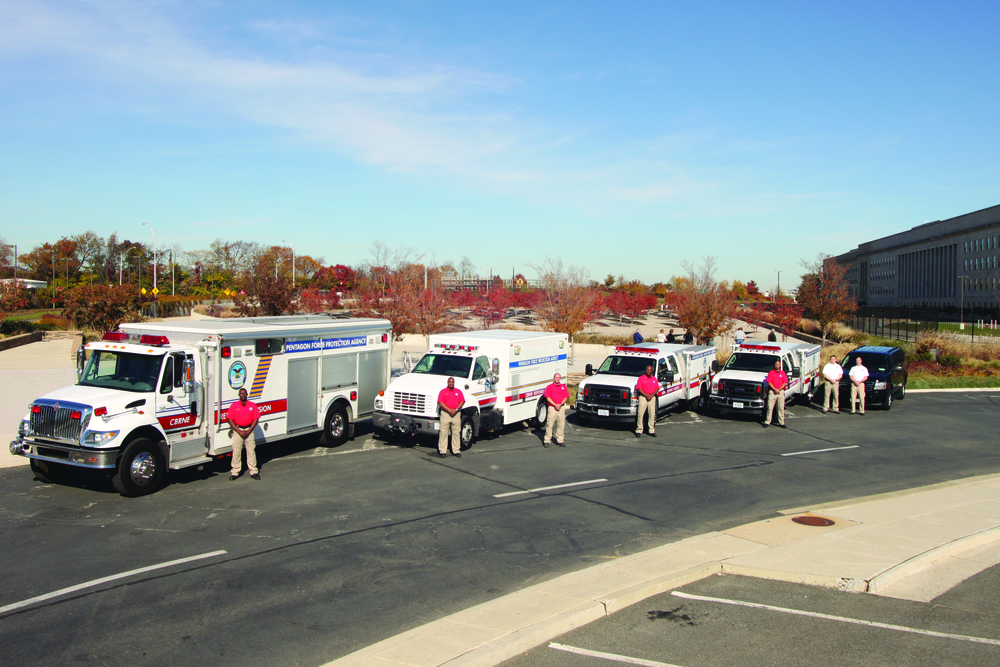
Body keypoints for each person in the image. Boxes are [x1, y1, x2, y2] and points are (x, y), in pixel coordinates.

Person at [227, 388, 261, 480]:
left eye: (244, 393)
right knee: (236, 451)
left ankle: (253, 471)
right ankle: (235, 472)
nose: (243, 395)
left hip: (249, 430)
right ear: (239, 395)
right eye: (241, 393)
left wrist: (249, 431)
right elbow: (229, 419)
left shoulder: (252, 405)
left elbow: (256, 419)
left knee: (251, 451)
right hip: (238, 430)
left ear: (247, 395)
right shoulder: (234, 406)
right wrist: (239, 431)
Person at [437, 377, 465, 457]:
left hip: (456, 414)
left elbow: (462, 401)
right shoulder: (443, 392)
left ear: (454, 383)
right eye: (450, 382)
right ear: (447, 382)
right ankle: (442, 451)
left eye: (452, 382)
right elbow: (440, 403)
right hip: (446, 414)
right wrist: (449, 410)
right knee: (443, 433)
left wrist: (456, 410)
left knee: (456, 433)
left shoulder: (458, 391)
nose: (451, 383)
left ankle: (456, 450)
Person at [542, 372, 569, 447]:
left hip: (561, 408)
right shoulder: (549, 387)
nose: (557, 379)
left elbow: (566, 397)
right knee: (550, 424)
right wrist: (555, 404)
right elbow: (548, 398)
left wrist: (560, 404)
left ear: (560, 378)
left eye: (559, 377)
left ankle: (560, 440)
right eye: (556, 377)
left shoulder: (563, 387)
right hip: (552, 408)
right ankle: (547, 440)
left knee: (561, 424)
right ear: (554, 378)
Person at [634, 365, 661, 437]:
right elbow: (639, 388)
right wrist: (646, 395)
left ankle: (651, 430)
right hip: (643, 397)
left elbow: (657, 388)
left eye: (650, 370)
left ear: (652, 371)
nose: (648, 371)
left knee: (652, 414)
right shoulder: (641, 378)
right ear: (646, 370)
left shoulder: (654, 379)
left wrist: (652, 395)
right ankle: (639, 430)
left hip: (652, 397)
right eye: (647, 370)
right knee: (640, 414)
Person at [762, 359, 787, 428]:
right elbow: (769, 382)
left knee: (781, 408)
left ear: (780, 366)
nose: (777, 365)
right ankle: (767, 421)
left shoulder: (782, 373)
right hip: (772, 392)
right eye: (776, 364)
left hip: (780, 392)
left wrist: (779, 389)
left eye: (778, 364)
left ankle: (782, 422)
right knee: (770, 407)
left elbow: (785, 382)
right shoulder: (771, 373)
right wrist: (774, 389)